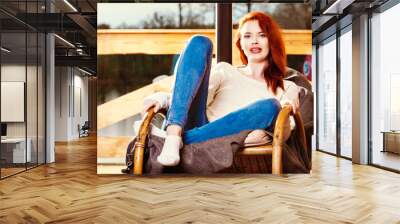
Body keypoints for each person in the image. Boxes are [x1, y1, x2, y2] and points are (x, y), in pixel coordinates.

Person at [141, 11, 300, 166]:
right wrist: (162, 99)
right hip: (199, 122)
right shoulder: (225, 70)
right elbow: (189, 93)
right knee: (199, 42)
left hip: (225, 136)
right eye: (247, 36)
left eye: (262, 35)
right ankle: (173, 134)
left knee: (271, 106)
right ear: (240, 44)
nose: (254, 41)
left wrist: (261, 132)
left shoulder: (288, 86)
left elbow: (285, 131)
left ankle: (168, 138)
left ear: (272, 41)